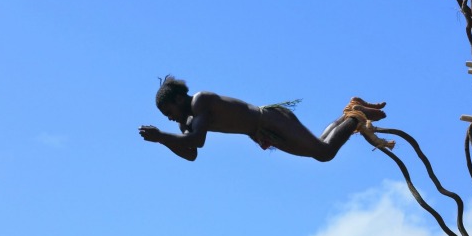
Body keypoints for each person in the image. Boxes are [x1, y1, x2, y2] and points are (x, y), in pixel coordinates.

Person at [139, 75, 386, 162]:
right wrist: (162, 141)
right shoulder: (187, 122)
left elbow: (197, 141)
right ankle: (351, 111)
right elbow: (191, 153)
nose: (170, 119)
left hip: (269, 119)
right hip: (263, 132)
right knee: (321, 148)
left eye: (168, 113)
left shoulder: (200, 101)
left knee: (323, 152)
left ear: (178, 100)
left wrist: (161, 136)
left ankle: (355, 117)